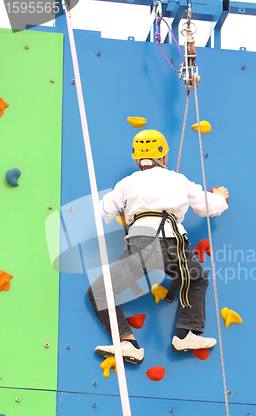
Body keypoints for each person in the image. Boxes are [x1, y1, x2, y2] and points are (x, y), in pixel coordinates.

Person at [87, 129, 229, 364]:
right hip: (173, 242)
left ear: (137, 160)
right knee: (197, 279)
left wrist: (125, 211)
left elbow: (105, 210)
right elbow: (208, 207)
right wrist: (221, 197)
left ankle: (127, 341)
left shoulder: (129, 182)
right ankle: (186, 333)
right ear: (163, 158)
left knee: (100, 292)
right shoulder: (179, 180)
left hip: (141, 243)